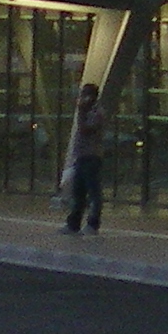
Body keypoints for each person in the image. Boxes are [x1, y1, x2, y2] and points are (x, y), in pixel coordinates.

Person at [61, 81, 109, 233]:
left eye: (85, 95)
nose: (81, 98)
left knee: (93, 192)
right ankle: (73, 224)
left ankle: (93, 223)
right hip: (81, 157)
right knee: (78, 192)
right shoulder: (85, 112)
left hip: (91, 157)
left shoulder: (97, 113)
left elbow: (84, 130)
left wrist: (82, 111)